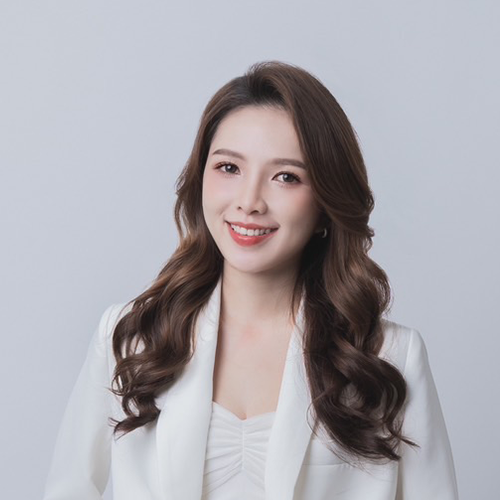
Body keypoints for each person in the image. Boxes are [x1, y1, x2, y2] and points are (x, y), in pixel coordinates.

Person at [43, 61, 459, 500]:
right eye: (229, 168)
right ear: (200, 178)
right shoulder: (132, 337)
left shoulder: (388, 357)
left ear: (325, 203)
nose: (249, 202)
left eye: (286, 177)